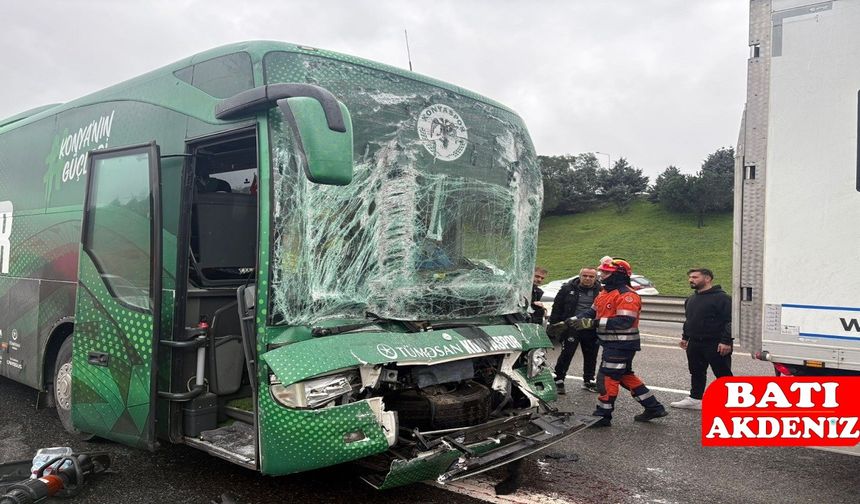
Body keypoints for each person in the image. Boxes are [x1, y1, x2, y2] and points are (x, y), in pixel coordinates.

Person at [564, 258, 668, 427]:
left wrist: (593, 324)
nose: (601, 275)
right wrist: (570, 321)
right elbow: (592, 312)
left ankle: (603, 416)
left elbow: (624, 321)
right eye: (602, 271)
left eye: (606, 272)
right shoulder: (604, 293)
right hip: (612, 344)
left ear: (618, 275)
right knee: (625, 376)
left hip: (621, 345)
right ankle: (654, 407)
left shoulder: (628, 295)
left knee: (606, 378)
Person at [671, 268, 733, 410]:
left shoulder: (722, 298)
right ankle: (695, 398)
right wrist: (685, 337)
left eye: (695, 277)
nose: (691, 280)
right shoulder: (691, 299)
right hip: (695, 343)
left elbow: (730, 321)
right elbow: (689, 320)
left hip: (716, 343)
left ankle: (732, 400)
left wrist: (726, 341)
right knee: (696, 371)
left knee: (722, 373)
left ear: (707, 279)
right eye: (690, 277)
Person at [548, 267, 601, 395]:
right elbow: (557, 306)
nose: (587, 278)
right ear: (580, 276)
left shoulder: (601, 291)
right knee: (567, 353)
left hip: (591, 327)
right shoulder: (567, 288)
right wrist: (554, 324)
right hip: (571, 327)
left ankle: (588, 380)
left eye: (591, 276)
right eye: (585, 275)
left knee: (591, 355)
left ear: (596, 278)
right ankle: (559, 379)